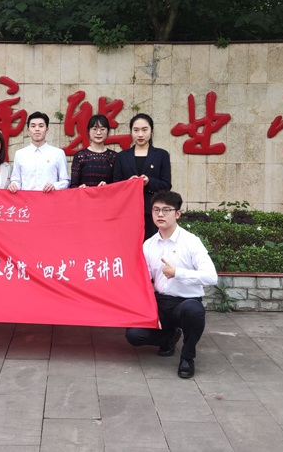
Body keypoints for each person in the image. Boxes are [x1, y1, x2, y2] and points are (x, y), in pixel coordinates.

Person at [125, 190, 217, 379]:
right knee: (133, 335)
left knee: (194, 311)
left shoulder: (191, 242)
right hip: (160, 303)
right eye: (156, 209)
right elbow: (144, 280)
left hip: (186, 303)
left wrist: (178, 273)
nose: (160, 214)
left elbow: (211, 277)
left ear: (177, 214)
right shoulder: (148, 245)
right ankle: (169, 336)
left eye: (166, 210)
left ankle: (187, 357)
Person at [113, 113, 171, 240]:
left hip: (153, 210)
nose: (140, 134)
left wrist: (149, 181)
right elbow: (115, 185)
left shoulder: (161, 155)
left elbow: (166, 185)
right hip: (128, 210)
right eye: (136, 130)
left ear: (151, 131)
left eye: (144, 130)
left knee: (152, 245)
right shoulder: (122, 156)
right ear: (131, 132)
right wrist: (129, 184)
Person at [8, 111, 69, 193]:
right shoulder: (20, 154)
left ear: (47, 130)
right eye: (33, 126)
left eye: (41, 126)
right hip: (26, 199)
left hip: (50, 199)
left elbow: (65, 181)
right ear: (28, 130)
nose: (37, 129)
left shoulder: (58, 153)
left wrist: (54, 186)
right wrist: (13, 185)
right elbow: (16, 180)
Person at [70, 115, 117, 188]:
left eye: (102, 129)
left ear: (108, 131)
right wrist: (80, 188)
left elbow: (118, 184)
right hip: (85, 195)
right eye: (94, 129)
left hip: (107, 195)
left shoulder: (114, 156)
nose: (98, 133)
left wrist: (107, 187)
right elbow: (73, 185)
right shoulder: (80, 156)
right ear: (88, 131)